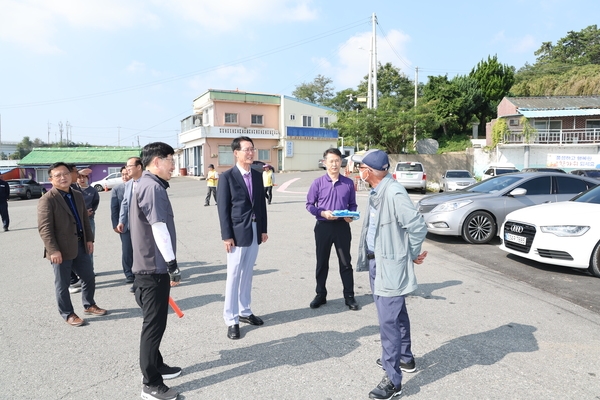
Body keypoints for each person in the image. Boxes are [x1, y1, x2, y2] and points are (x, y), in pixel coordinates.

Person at [351, 149, 428, 400]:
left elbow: (417, 225)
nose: (358, 171)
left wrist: (412, 253)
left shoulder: (393, 192)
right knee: (396, 313)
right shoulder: (377, 192)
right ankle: (405, 358)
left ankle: (393, 379)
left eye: (360, 167)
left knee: (388, 321)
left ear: (370, 171)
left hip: (390, 266)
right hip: (378, 263)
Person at [129, 143, 181, 400]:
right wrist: (172, 265)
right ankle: (150, 383)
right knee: (154, 325)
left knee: (156, 322)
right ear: (157, 161)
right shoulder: (152, 187)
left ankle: (157, 365)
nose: (173, 165)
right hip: (153, 267)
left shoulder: (146, 183)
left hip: (146, 265)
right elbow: (158, 227)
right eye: (171, 159)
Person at [37, 162, 107, 327]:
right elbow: (44, 229)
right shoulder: (47, 200)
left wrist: (89, 240)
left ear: (71, 175)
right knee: (62, 284)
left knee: (89, 276)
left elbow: (84, 219)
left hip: (80, 245)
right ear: (51, 179)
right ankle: (67, 313)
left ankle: (89, 304)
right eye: (58, 175)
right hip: (60, 250)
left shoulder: (77, 194)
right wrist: (53, 250)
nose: (63, 178)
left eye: (66, 174)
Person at [217, 136, 268, 340]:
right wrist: (226, 235)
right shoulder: (227, 177)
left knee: (247, 273)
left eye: (252, 149)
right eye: (246, 149)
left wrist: (263, 229)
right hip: (237, 233)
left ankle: (245, 311)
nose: (250, 153)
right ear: (236, 153)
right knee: (234, 275)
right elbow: (223, 209)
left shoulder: (256, 175)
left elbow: (261, 205)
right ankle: (231, 319)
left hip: (255, 230)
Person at [306, 148, 359, 311]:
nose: (334, 164)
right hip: (323, 226)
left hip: (342, 226)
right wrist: (322, 212)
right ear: (325, 163)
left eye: (337, 160)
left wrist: (351, 216)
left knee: (345, 262)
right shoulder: (318, 183)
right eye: (331, 161)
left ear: (340, 162)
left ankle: (349, 296)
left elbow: (352, 205)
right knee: (322, 261)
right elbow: (309, 205)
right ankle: (320, 294)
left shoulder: (348, 183)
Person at [118, 157, 144, 292]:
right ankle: (137, 280)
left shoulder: (148, 182)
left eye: (129, 166)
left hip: (145, 226)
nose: (127, 169)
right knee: (130, 252)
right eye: (126, 166)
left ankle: (142, 281)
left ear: (139, 167)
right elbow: (124, 204)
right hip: (130, 225)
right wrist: (121, 220)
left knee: (143, 253)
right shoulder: (128, 184)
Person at [111, 166, 134, 286]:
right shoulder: (117, 189)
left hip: (138, 225)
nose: (125, 177)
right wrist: (115, 224)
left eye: (127, 174)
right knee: (127, 250)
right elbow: (114, 209)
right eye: (122, 174)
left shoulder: (138, 186)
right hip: (124, 225)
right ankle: (129, 273)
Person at [76, 168, 100, 269]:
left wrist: (90, 212)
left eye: (84, 177)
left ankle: (90, 269)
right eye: (79, 177)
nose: (82, 179)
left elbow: (95, 204)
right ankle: (80, 271)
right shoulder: (73, 189)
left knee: (89, 244)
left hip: (89, 220)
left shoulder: (93, 191)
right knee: (77, 246)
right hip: (76, 221)